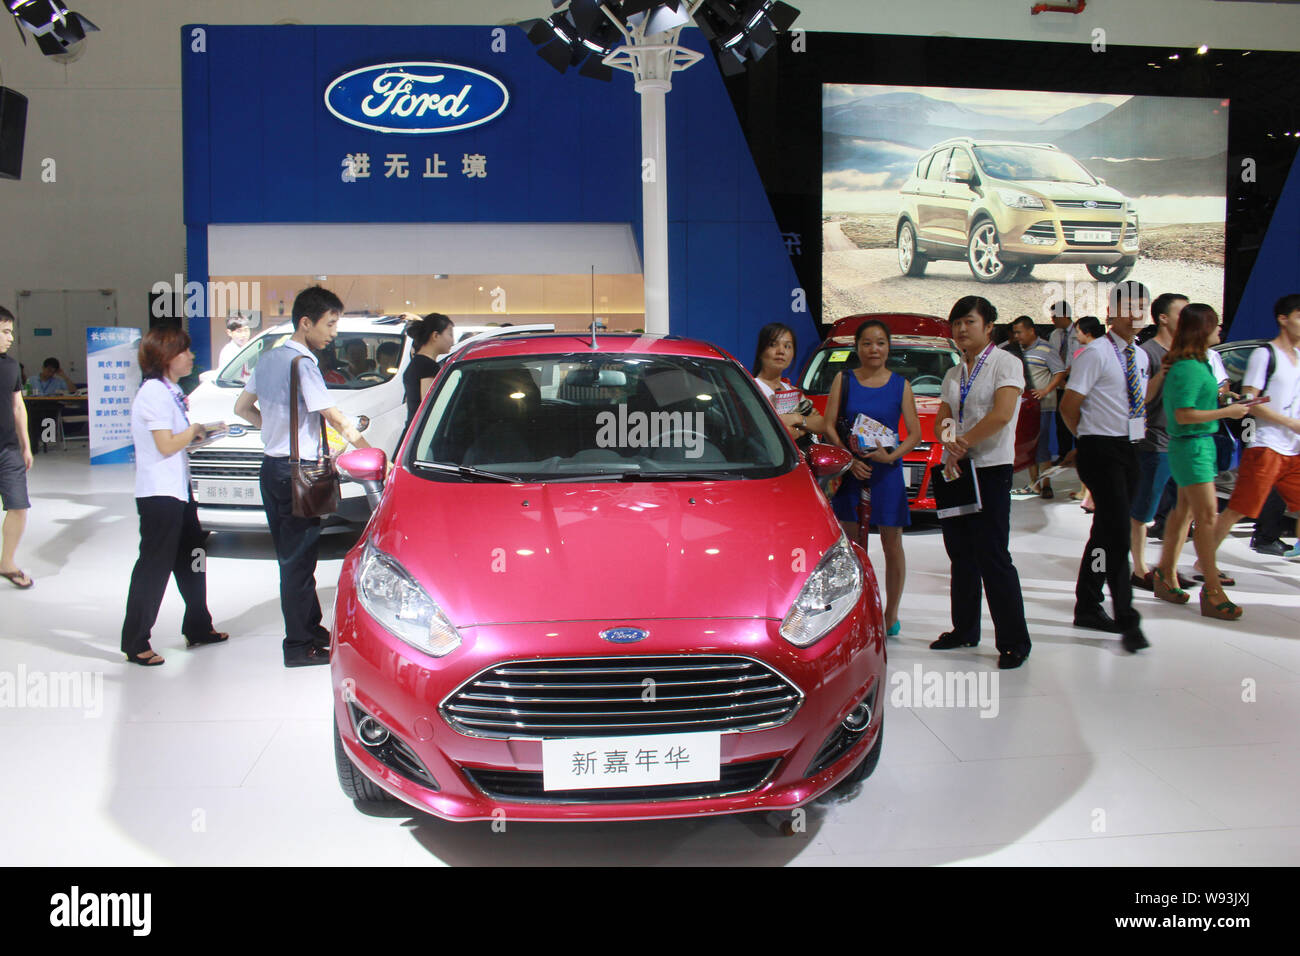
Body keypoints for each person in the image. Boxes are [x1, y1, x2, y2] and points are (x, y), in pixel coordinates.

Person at [233, 285, 371, 667]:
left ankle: (311, 633)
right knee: (298, 562)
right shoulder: (303, 363)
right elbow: (335, 417)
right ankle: (298, 646)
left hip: (272, 468)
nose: (334, 333)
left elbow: (242, 407)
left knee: (292, 558)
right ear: (306, 322)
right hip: (300, 473)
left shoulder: (268, 359)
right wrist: (373, 454)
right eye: (329, 324)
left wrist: (273, 431)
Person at [928, 296, 1031, 668]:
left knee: (993, 555)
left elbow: (1003, 414)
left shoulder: (1007, 364)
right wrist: (948, 440)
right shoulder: (954, 373)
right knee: (960, 554)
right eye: (956, 323)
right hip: (955, 468)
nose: (961, 330)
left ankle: (1014, 641)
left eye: (968, 322)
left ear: (989, 326)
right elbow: (944, 414)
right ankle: (964, 629)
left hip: (989, 467)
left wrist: (964, 442)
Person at [120, 326, 229, 665]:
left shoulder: (170, 390)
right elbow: (166, 444)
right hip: (158, 496)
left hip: (178, 492)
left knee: (193, 559)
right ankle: (136, 640)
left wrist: (201, 435)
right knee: (154, 567)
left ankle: (198, 626)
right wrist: (194, 431)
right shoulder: (153, 392)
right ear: (167, 356)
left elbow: (174, 442)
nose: (191, 356)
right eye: (185, 351)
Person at [1059, 280, 1153, 653]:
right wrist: (1085, 441)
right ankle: (1128, 618)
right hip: (1099, 448)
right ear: (1112, 312)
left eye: (1141, 306)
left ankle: (1087, 604)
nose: (1136, 313)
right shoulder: (1094, 353)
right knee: (1117, 534)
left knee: (1105, 532)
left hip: (1130, 447)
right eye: (1129, 306)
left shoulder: (1140, 357)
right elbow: (1069, 405)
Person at [1152, 304, 1250, 619]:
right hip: (1192, 447)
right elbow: (1183, 414)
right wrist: (1226, 412)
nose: (1220, 331)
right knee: (1207, 517)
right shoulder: (1187, 367)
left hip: (1198, 445)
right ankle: (1211, 588)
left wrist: (1222, 401)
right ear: (1202, 329)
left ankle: (1165, 575)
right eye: (1215, 325)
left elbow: (1192, 405)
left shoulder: (1195, 364)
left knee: (1185, 512)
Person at [824, 320, 920, 637]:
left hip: (887, 474)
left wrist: (892, 456)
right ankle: (852, 612)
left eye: (880, 342)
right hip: (852, 474)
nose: (874, 349)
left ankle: (890, 613)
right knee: (852, 548)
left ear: (888, 347)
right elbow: (828, 426)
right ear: (857, 347)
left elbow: (914, 433)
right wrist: (849, 461)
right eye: (867, 343)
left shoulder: (901, 385)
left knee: (893, 545)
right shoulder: (844, 379)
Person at [1207, 294, 1300, 562]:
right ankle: (1205, 559)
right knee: (1238, 509)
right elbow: (1250, 400)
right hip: (1266, 445)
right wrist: (1289, 423)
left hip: (1293, 448)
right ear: (1283, 319)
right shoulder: (1265, 354)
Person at [1129, 293, 1189, 590]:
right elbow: (1140, 399)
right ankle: (1140, 569)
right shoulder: (1147, 352)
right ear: (1163, 318)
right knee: (1144, 510)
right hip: (1155, 441)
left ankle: (1169, 568)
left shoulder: (1189, 352)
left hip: (1184, 442)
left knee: (1182, 509)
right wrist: (1163, 371)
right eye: (1183, 312)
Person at [1007, 315, 1066, 498]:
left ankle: (1046, 484)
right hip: (1024, 407)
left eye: (1019, 332)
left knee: (1043, 447)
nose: (1017, 336)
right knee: (1029, 446)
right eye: (1014, 332)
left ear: (1031, 330)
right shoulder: (1015, 351)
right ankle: (1034, 484)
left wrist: (1045, 390)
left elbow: (1059, 372)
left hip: (1043, 407)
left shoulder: (1046, 349)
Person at [0, 307, 34, 589]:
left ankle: (7, 563)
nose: (10, 338)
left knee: (18, 506)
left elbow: (17, 406)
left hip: (8, 449)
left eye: (10, 331)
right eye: (5, 331)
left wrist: (26, 445)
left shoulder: (11, 366)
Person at [752, 322, 824, 449]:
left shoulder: (793, 391)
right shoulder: (751, 389)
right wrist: (803, 428)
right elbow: (767, 434)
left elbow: (821, 424)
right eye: (773, 345)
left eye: (787, 346)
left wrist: (795, 418)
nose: (781, 351)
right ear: (760, 350)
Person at [397, 312, 455, 453]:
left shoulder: (417, 362)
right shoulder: (427, 366)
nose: (452, 341)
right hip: (422, 439)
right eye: (450, 334)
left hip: (412, 433)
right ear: (435, 336)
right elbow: (429, 407)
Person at [1047, 300, 1076, 465]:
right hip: (1059, 379)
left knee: (1078, 417)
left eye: (1055, 316)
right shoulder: (1054, 335)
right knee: (1060, 419)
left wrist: (1066, 375)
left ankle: (1080, 454)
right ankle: (1063, 455)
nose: (1053, 320)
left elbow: (1079, 356)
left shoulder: (1078, 332)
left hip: (1075, 378)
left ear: (1065, 315)